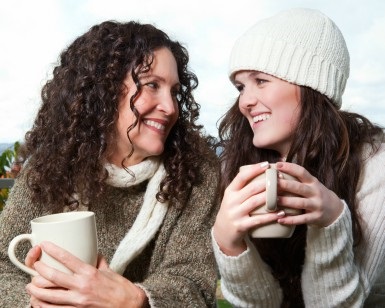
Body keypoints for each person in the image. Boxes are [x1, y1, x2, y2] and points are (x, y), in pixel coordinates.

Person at [0, 20, 220, 307]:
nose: (170, 107)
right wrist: (36, 302)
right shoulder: (49, 167)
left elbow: (196, 283)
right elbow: (3, 265)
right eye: (152, 85)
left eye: (175, 91)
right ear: (103, 90)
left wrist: (138, 300)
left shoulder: (195, 171)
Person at [212, 8, 385, 307]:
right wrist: (229, 244)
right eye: (241, 87)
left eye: (261, 81)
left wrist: (331, 223)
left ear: (312, 86)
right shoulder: (234, 164)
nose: (245, 101)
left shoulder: (374, 164)